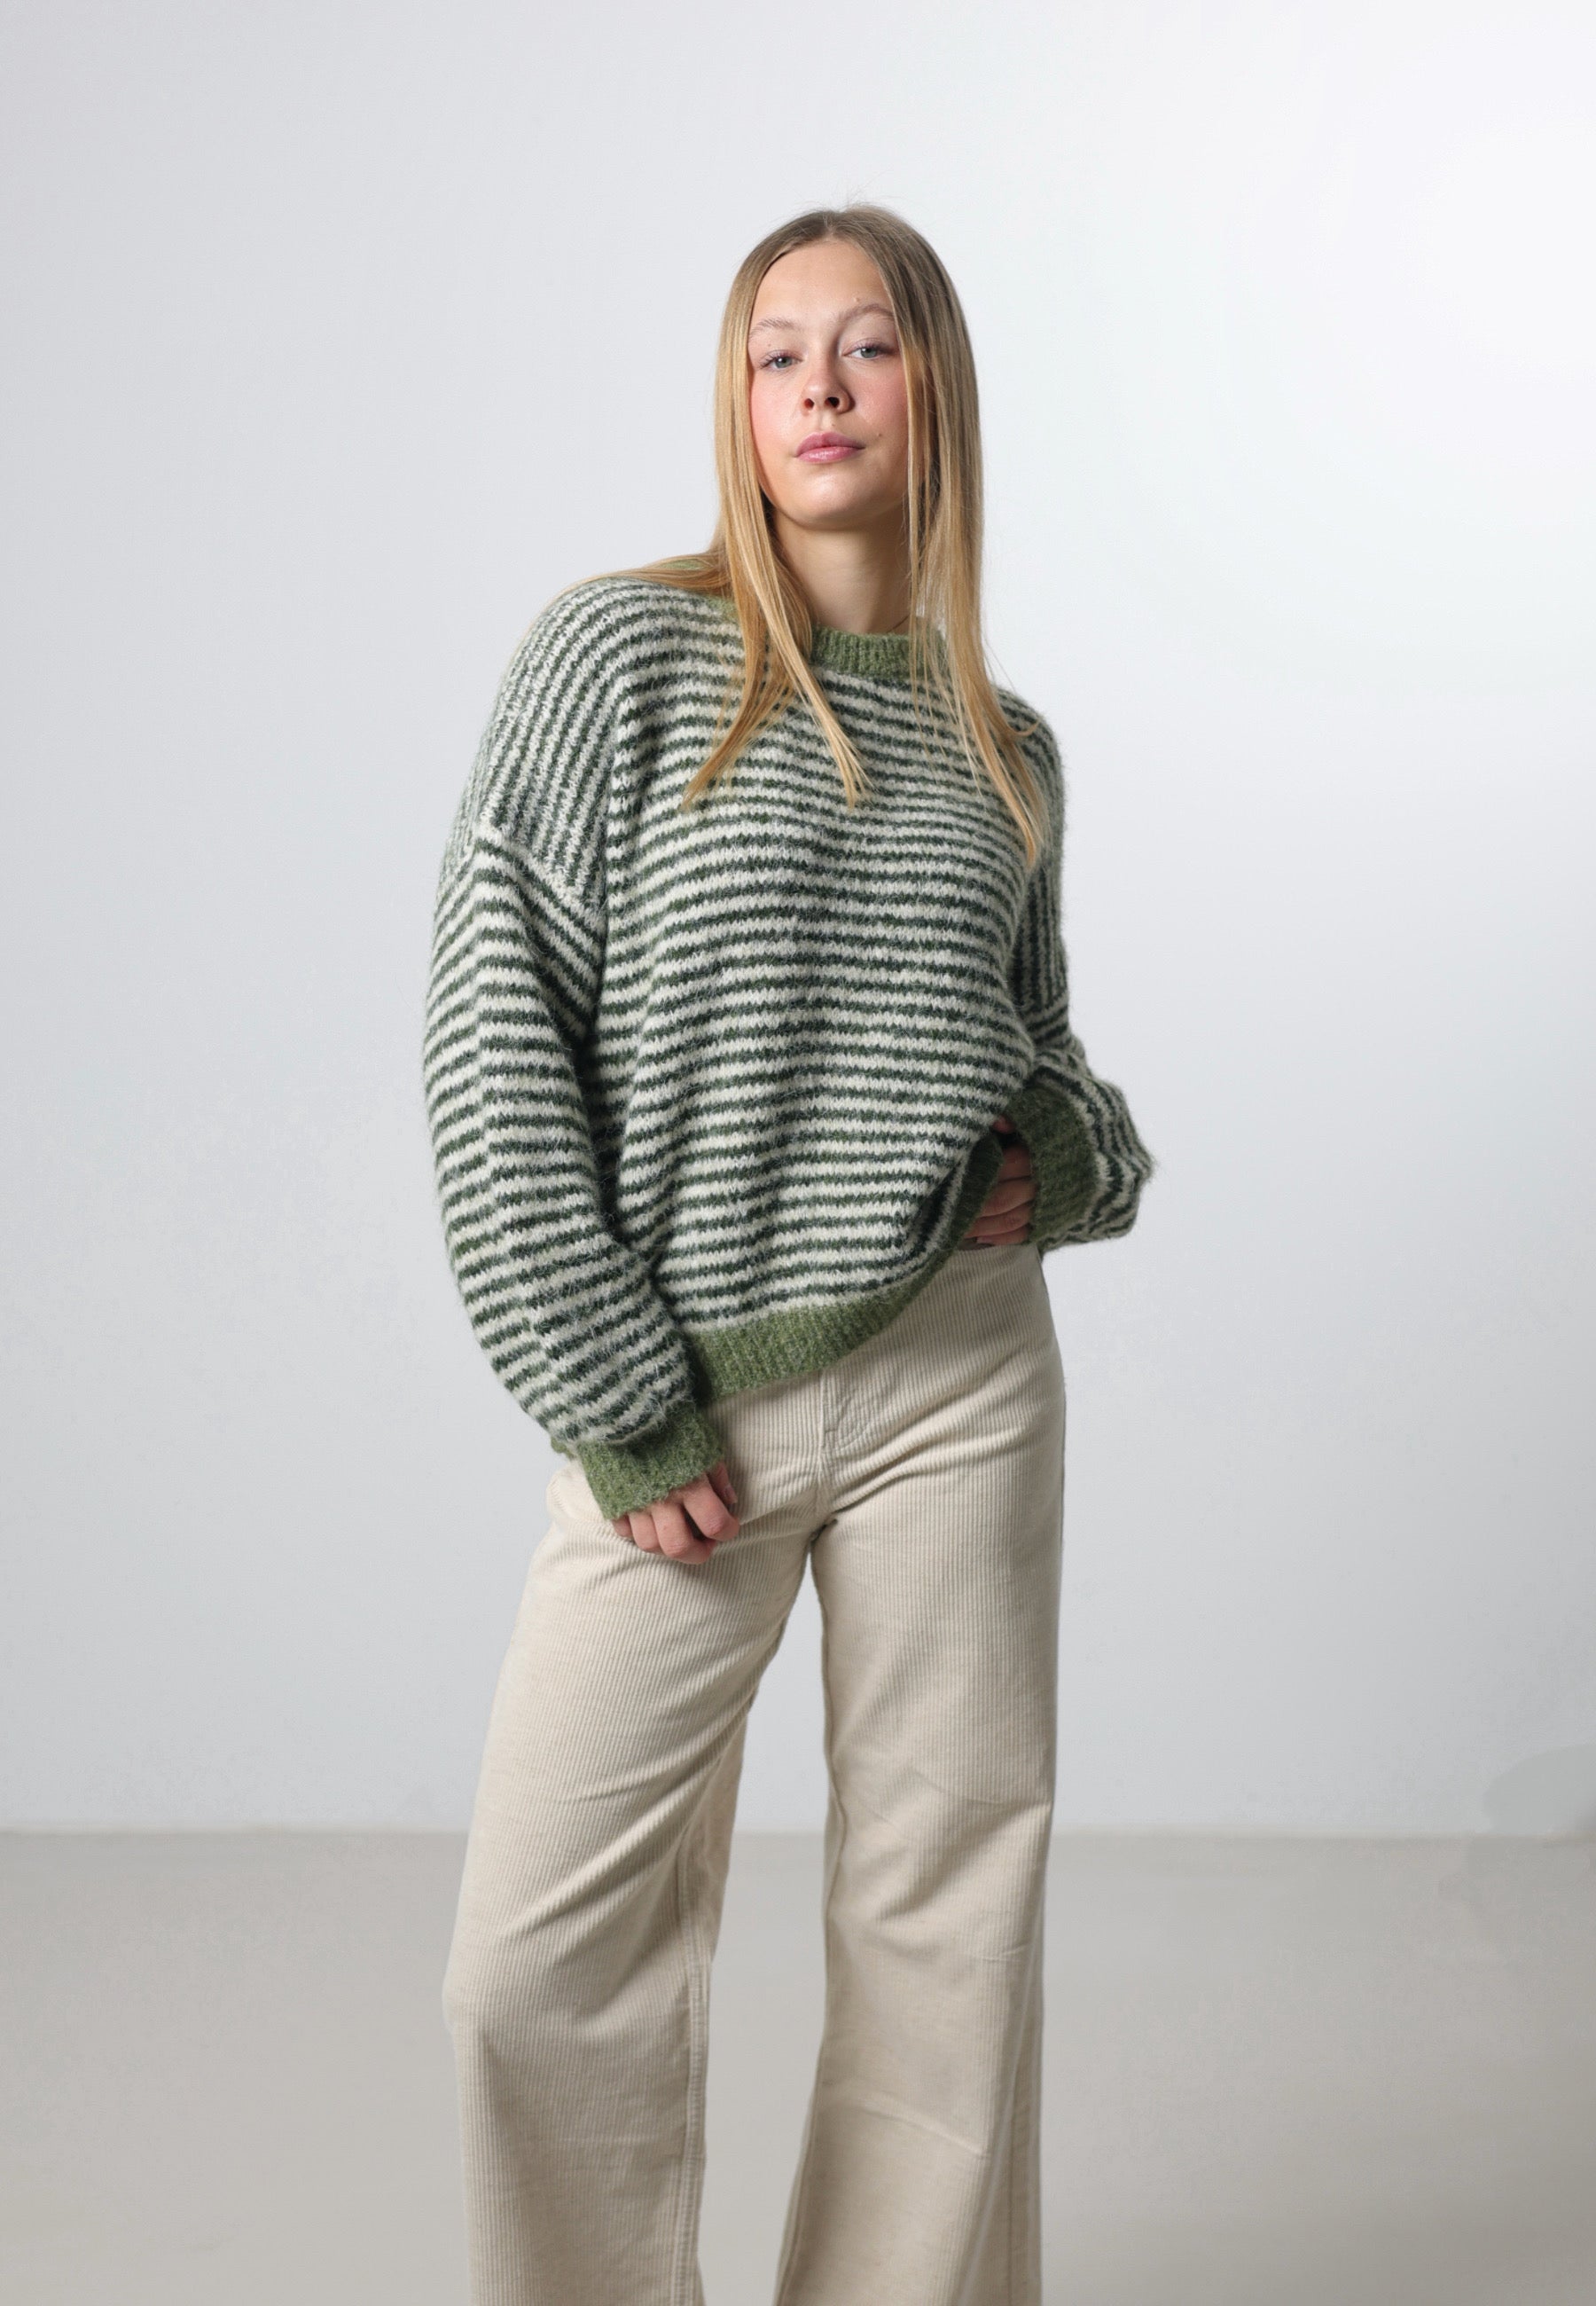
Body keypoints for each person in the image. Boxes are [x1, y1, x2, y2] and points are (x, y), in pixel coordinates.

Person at [423, 200, 1154, 2306]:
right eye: (774, 352)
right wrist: (612, 1394)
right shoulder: (619, 659)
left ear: (938, 388)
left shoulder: (1006, 749)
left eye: (867, 344)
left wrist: (1064, 1151)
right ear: (737, 405)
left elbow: (1045, 1057)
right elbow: (493, 1025)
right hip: (686, 1406)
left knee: (945, 1925)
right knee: (530, 1964)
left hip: (962, 1380)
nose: (818, 387)